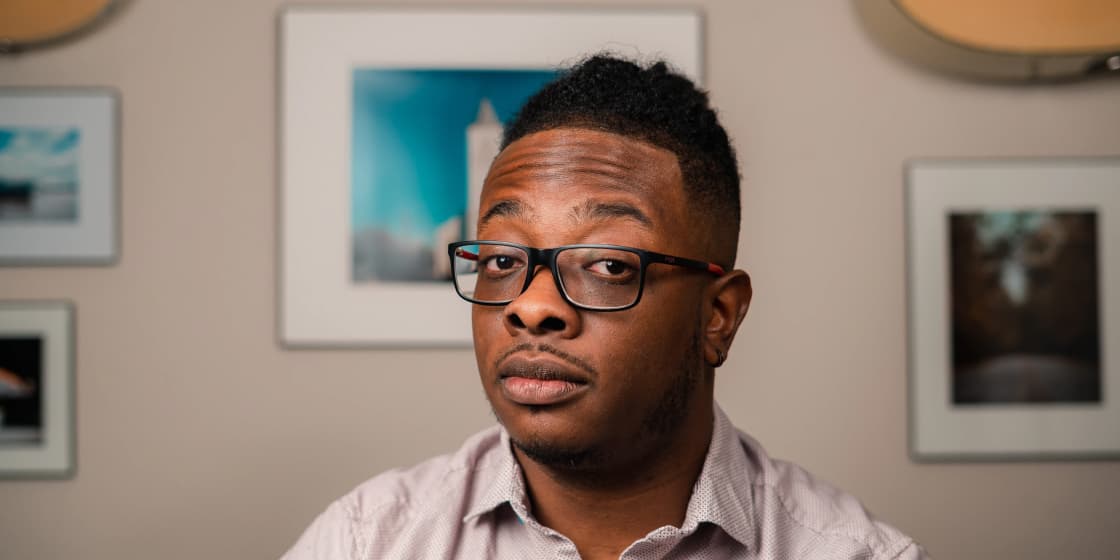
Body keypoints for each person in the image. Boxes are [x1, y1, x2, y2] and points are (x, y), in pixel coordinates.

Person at [282, 54, 929, 560]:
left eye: (609, 265)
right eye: (502, 261)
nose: (531, 307)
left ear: (718, 316)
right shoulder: (366, 541)